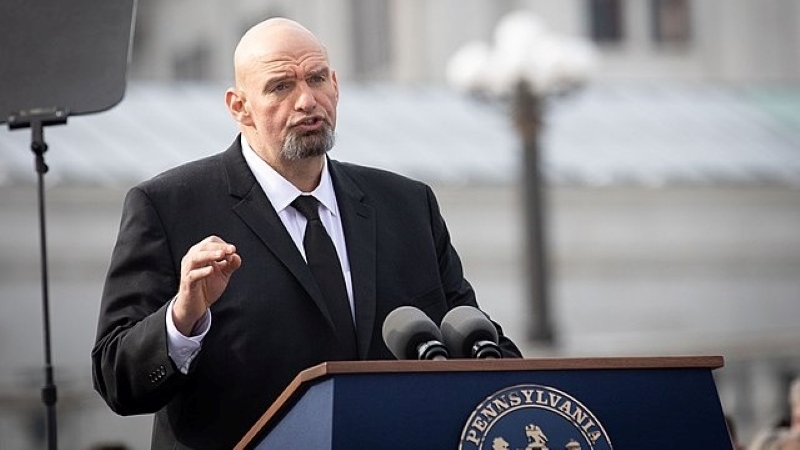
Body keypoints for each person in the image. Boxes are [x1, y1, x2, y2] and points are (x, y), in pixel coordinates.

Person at [91, 17, 521, 449]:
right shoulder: (169, 206)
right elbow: (117, 379)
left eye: (316, 79)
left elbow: (477, 340)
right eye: (280, 86)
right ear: (239, 107)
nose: (306, 100)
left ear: (335, 85)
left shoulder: (407, 206)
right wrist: (182, 318)